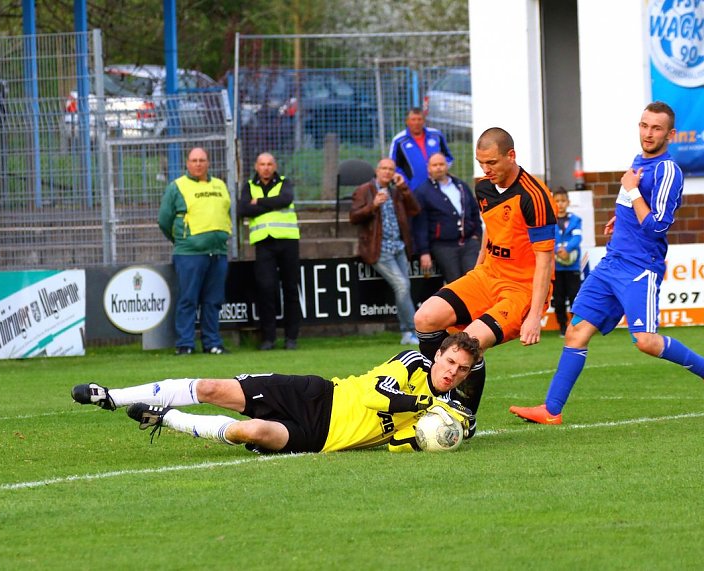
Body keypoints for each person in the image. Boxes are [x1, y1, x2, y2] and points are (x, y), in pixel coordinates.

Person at [510, 102, 704, 424]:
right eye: (644, 125)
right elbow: (634, 204)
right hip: (612, 262)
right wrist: (621, 217)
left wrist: (633, 193)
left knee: (645, 341)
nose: (648, 133)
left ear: (670, 134)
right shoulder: (640, 160)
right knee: (576, 332)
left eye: (656, 128)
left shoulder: (668, 170)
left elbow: (657, 226)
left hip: (640, 267)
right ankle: (551, 410)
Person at [71, 332, 481, 454]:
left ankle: (166, 417)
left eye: (461, 370)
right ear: (438, 354)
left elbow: (400, 443)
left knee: (250, 432)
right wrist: (427, 403)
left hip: (319, 438)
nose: (452, 372)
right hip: (317, 395)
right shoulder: (412, 362)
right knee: (212, 388)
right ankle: (112, 396)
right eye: (450, 361)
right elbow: (376, 395)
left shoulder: (440, 410)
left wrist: (442, 435)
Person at [414, 127, 557, 412]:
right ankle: (438, 396)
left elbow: (545, 260)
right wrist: (477, 271)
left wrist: (534, 316)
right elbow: (490, 230)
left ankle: (464, 415)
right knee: (425, 317)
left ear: (511, 155)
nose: (485, 169)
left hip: (521, 289)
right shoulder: (483, 187)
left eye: (491, 162)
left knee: (469, 344)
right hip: (487, 276)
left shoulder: (534, 196)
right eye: (481, 163)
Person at [158, 147, 231, 355]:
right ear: (187, 163)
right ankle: (185, 344)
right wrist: (183, 241)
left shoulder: (220, 185)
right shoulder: (177, 187)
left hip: (218, 253)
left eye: (202, 160)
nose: (198, 164)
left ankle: (212, 343)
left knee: (213, 301)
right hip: (189, 254)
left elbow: (226, 213)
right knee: (188, 299)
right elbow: (164, 220)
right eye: (194, 160)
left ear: (208, 163)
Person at [349, 158, 421, 345]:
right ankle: (412, 331)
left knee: (404, 287)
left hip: (399, 247)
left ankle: (407, 332)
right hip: (378, 249)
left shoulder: (396, 191)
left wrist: (404, 187)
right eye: (384, 168)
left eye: (391, 169)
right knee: (402, 286)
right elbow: (353, 217)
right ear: (377, 170)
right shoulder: (364, 190)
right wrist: (373, 205)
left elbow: (415, 209)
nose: (387, 172)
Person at [237, 153, 301, 351]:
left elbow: (286, 199)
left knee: (291, 289)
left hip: (288, 241)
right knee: (266, 289)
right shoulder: (249, 186)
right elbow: (243, 209)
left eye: (269, 164)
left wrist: (259, 202)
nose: (266, 168)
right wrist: (271, 204)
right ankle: (269, 338)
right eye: (262, 164)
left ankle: (291, 338)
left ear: (275, 166)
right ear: (256, 167)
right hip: (264, 244)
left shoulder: (284, 182)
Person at [413, 153, 483, 283]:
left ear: (447, 166)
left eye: (441, 164)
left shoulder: (461, 186)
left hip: (469, 242)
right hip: (443, 246)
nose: (438, 167)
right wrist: (424, 251)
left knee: (475, 281)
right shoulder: (422, 192)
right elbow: (420, 224)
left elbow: (474, 210)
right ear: (429, 168)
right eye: (435, 165)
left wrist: (477, 235)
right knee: (455, 284)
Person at [390, 107, 454, 192]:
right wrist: (406, 182)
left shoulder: (436, 135)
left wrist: (441, 169)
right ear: (407, 121)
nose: (416, 123)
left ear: (424, 121)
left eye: (419, 119)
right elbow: (393, 165)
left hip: (439, 187)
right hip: (414, 189)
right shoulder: (399, 141)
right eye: (413, 120)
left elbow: (448, 157)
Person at [551, 187, 583, 336]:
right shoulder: (550, 221)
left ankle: (575, 325)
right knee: (558, 299)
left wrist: (567, 249)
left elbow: (577, 237)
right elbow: (549, 239)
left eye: (563, 201)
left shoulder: (575, 220)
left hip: (572, 267)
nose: (560, 204)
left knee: (574, 297)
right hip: (556, 268)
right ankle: (562, 326)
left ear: (568, 202)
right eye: (557, 201)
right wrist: (558, 250)